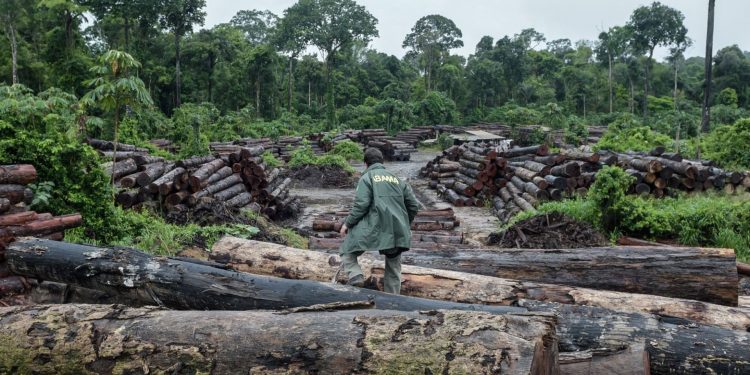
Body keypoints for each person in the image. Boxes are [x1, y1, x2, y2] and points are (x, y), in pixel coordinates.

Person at [339, 148, 420, 294]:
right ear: (382, 162)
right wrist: (404, 223)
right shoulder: (397, 179)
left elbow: (361, 205)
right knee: (394, 266)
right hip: (396, 230)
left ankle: (356, 276)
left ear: (365, 164)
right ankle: (393, 300)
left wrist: (347, 224)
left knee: (346, 250)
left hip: (372, 229)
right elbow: (414, 205)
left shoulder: (367, 178)